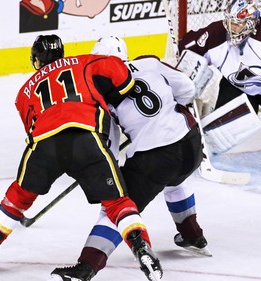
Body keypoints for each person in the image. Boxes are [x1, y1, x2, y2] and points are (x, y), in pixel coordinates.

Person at [0, 34, 162, 281]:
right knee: (116, 203)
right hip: (87, 138)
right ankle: (140, 246)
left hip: (44, 145)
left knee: (20, 195)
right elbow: (122, 76)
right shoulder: (83, 62)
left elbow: (31, 130)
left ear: (36, 60)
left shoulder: (24, 92)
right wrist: (109, 97)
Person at [49, 36, 211, 281]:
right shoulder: (150, 63)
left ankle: (87, 266)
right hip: (191, 143)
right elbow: (187, 89)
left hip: (154, 160)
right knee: (176, 179)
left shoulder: (100, 94)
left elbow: (110, 149)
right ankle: (193, 235)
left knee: (116, 206)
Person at [178, 0, 261, 154]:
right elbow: (187, 47)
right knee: (218, 133)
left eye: (238, 24)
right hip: (236, 88)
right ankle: (196, 152)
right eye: (230, 22)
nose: (233, 28)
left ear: (252, 22)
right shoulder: (215, 35)